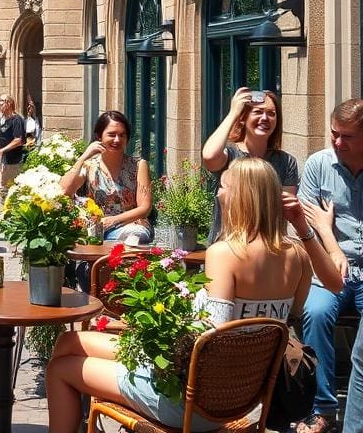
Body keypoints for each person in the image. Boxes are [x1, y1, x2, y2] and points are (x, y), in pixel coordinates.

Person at [45, 157, 314, 433]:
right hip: (247, 399)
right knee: (70, 341)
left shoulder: (225, 254)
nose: (218, 194)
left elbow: (213, 338)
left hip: (194, 401)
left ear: (241, 197)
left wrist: (160, 333)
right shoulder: (298, 257)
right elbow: (286, 324)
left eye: (222, 187)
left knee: (61, 369)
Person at [296, 98, 363, 433]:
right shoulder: (318, 165)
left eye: (347, 136)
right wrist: (329, 241)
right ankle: (323, 408)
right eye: (334, 134)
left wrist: (326, 228)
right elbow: (307, 227)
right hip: (327, 269)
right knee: (316, 312)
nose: (338, 142)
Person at [202, 87, 298, 243]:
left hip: (269, 248)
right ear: (243, 118)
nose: (265, 118)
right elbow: (209, 156)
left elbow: (285, 210)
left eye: (271, 113)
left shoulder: (286, 162)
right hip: (227, 246)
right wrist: (233, 113)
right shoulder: (230, 155)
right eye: (258, 112)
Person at [61, 110, 153, 243]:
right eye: (111, 135)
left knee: (136, 234)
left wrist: (113, 220)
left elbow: (145, 208)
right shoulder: (89, 166)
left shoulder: (138, 165)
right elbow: (64, 191)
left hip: (131, 227)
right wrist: (83, 157)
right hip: (97, 229)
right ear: (99, 136)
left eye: (122, 135)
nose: (117, 140)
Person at [0, 93, 25, 199]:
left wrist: (1, 150)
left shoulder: (16, 120)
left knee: (11, 189)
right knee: (3, 187)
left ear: (9, 103)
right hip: (5, 160)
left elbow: (18, 140)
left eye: (1, 101)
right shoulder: (3, 119)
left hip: (14, 160)